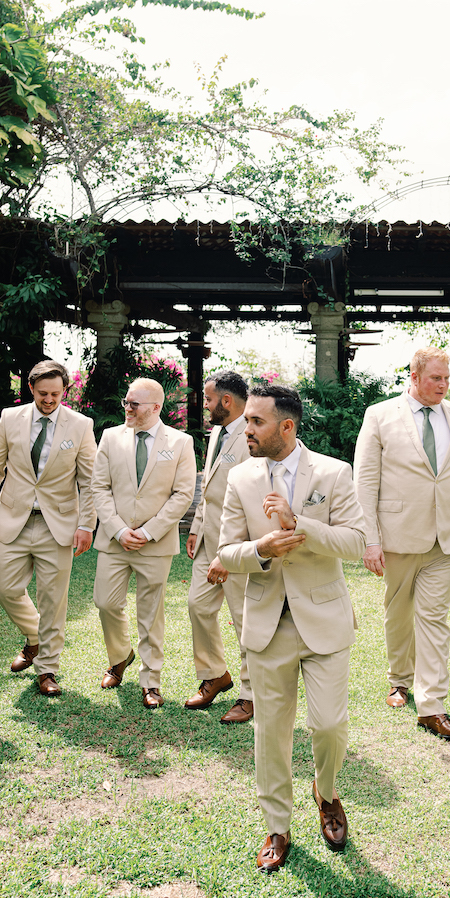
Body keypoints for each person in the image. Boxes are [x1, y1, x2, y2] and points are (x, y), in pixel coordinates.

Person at [217, 383, 366, 872]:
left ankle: (328, 794)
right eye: (247, 421)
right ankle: (277, 825)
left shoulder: (334, 472)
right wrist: (261, 548)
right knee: (271, 732)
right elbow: (224, 553)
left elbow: (355, 542)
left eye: (256, 421)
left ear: (286, 426)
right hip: (266, 625)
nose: (246, 427)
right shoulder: (240, 478)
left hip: (324, 619)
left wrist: (298, 524)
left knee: (328, 725)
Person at [353, 346, 450, 739]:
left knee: (434, 618)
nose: (443, 385)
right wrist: (370, 540)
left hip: (448, 536)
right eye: (435, 378)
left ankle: (432, 705)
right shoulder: (380, 414)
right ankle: (398, 679)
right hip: (397, 534)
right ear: (415, 376)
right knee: (398, 611)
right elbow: (365, 481)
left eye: (447, 378)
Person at [0, 360, 97, 696]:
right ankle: (35, 638)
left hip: (58, 523)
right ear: (30, 389)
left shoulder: (81, 425)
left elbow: (89, 481)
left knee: (53, 601)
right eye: (43, 393)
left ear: (64, 391)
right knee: (3, 587)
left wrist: (87, 524)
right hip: (12, 518)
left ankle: (47, 671)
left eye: (56, 394)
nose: (49, 399)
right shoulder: (9, 418)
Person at [92, 377, 196, 708]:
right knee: (105, 603)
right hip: (114, 540)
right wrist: (119, 530)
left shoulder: (180, 442)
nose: (127, 408)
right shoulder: (110, 437)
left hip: (155, 543)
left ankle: (151, 681)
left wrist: (149, 531)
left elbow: (183, 494)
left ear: (155, 407)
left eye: (134, 404)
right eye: (126, 402)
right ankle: (121, 656)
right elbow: (100, 488)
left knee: (151, 614)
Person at [184, 370, 253, 723]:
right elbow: (210, 488)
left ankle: (250, 693)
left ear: (226, 401)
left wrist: (228, 553)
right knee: (198, 605)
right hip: (208, 537)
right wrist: (196, 525)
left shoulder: (253, 434)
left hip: (236, 544)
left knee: (244, 619)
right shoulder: (217, 431)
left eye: (208, 399)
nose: (204, 405)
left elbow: (250, 500)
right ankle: (215, 674)